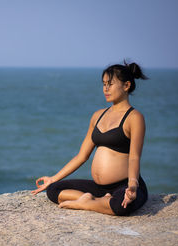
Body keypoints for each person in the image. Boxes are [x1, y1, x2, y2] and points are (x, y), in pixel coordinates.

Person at [32, 61, 149, 216]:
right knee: (53, 190)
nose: (106, 89)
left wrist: (132, 186)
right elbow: (82, 156)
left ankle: (88, 203)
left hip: (124, 185)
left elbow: (134, 157)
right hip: (99, 188)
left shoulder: (134, 118)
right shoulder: (97, 116)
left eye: (110, 84)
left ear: (126, 85)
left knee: (121, 205)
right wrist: (53, 179)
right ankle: (95, 200)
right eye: (104, 84)